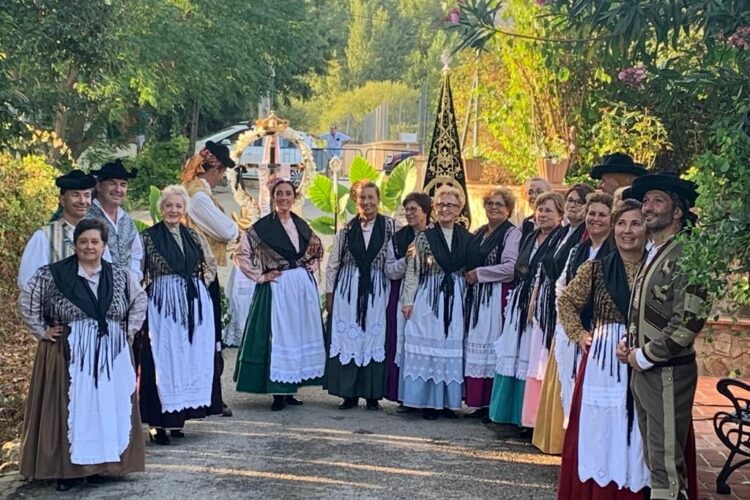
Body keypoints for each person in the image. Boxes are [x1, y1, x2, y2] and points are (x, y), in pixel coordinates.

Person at [17, 219, 147, 492]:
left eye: (95, 242)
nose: (89, 247)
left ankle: (101, 465)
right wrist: (42, 330)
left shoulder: (119, 274)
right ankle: (69, 471)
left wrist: (128, 330)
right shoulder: (52, 274)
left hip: (110, 350)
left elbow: (140, 300)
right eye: (83, 242)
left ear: (104, 245)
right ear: (75, 244)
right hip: (69, 351)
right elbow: (28, 301)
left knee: (106, 407)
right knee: (72, 408)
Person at [618, 173, 705, 500]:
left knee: (666, 463)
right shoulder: (655, 250)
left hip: (668, 373)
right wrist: (629, 346)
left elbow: (688, 322)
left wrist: (645, 355)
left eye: (657, 200)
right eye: (646, 201)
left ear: (678, 210)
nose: (648, 207)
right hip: (645, 370)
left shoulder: (690, 254)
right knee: (656, 458)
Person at [556, 199, 650, 499]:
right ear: (613, 228)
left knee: (638, 427)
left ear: (647, 228)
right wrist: (580, 334)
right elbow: (566, 302)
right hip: (603, 361)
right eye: (622, 223)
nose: (627, 230)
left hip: (645, 356)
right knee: (602, 429)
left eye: (635, 223)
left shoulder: (655, 267)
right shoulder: (595, 268)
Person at [233, 180, 326, 410]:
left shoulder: (301, 224)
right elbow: (241, 254)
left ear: (294, 197)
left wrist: (308, 269)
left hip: (300, 287)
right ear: (273, 197)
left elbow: (317, 249)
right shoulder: (262, 228)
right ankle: (278, 391)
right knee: (278, 336)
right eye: (279, 193)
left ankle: (291, 387)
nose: (284, 198)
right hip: (277, 286)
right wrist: (260, 276)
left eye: (288, 194)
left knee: (297, 335)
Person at [135, 185, 217, 445]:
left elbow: (210, 263)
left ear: (184, 210)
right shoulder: (147, 237)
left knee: (188, 358)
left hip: (193, 302)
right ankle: (158, 423)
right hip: (162, 305)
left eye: (178, 206)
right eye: (169, 206)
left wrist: (199, 286)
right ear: (161, 209)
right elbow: (136, 271)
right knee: (163, 359)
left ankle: (179, 417)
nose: (173, 210)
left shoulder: (193, 236)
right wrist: (153, 293)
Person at [489, 191, 564, 436]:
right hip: (521, 298)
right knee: (514, 352)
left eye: (548, 210)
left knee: (533, 358)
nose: (542, 215)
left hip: (542, 302)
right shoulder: (530, 237)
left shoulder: (561, 240)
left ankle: (530, 419)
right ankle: (508, 413)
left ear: (560, 215)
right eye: (540, 210)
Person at [530, 183, 594, 453]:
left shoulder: (583, 236)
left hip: (573, 310)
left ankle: (563, 437)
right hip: (557, 302)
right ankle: (549, 433)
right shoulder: (566, 233)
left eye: (579, 202)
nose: (573, 205)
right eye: (570, 200)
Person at [324, 181, 397, 410]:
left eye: (371, 197)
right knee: (349, 338)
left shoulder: (391, 227)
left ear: (378, 199)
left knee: (373, 338)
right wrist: (329, 294)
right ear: (356, 201)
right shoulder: (346, 229)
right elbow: (333, 263)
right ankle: (349, 393)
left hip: (377, 290)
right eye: (362, 198)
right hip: (348, 290)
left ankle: (372, 394)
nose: (367, 202)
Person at [401, 185, 472, 420]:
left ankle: (448, 403)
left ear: (460, 208)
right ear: (435, 208)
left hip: (456, 299)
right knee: (429, 348)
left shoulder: (468, 238)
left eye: (451, 205)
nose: (445, 209)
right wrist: (408, 300)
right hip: (429, 297)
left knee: (450, 348)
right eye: (441, 205)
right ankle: (429, 403)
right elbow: (413, 270)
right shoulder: (424, 237)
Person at [182, 140, 238, 417]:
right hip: (200, 273)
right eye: (221, 172)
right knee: (207, 334)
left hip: (202, 271)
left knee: (209, 333)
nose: (222, 178)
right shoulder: (199, 197)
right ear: (213, 170)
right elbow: (228, 231)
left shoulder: (197, 193)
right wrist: (236, 228)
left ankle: (209, 395)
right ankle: (207, 397)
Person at [554, 192, 615, 427]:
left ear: (611, 219)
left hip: (599, 329)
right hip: (571, 326)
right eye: (592, 213)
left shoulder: (614, 252)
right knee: (571, 382)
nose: (595, 219)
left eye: (602, 214)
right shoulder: (577, 250)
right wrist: (569, 318)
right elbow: (561, 285)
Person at [462, 188, 521, 419]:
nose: (494, 207)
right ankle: (477, 401)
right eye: (490, 204)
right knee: (477, 344)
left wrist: (480, 273)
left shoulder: (511, 234)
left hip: (496, 296)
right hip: (478, 297)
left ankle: (491, 403)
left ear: (508, 209)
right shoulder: (479, 232)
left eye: (500, 204)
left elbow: (510, 267)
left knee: (492, 346)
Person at [385, 192, 432, 403]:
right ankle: (406, 396)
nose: (409, 213)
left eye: (414, 209)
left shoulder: (437, 235)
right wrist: (406, 260)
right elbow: (390, 271)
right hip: (407, 296)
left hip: (432, 296)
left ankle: (430, 397)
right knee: (405, 346)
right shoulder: (397, 238)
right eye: (407, 209)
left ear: (426, 211)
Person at [18, 170, 97, 287]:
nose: (82, 201)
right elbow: (28, 283)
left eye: (87, 195)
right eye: (75, 195)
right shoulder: (44, 236)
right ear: (62, 200)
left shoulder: (98, 235)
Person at [87, 159, 143, 282]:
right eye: (112, 183)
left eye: (123, 185)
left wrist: (132, 281)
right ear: (99, 186)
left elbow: (136, 254)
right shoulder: (86, 218)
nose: (118, 190)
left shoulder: (127, 220)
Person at [520, 177, 552, 243]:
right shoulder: (526, 223)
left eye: (539, 192)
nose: (534, 196)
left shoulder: (560, 222)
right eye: (530, 192)